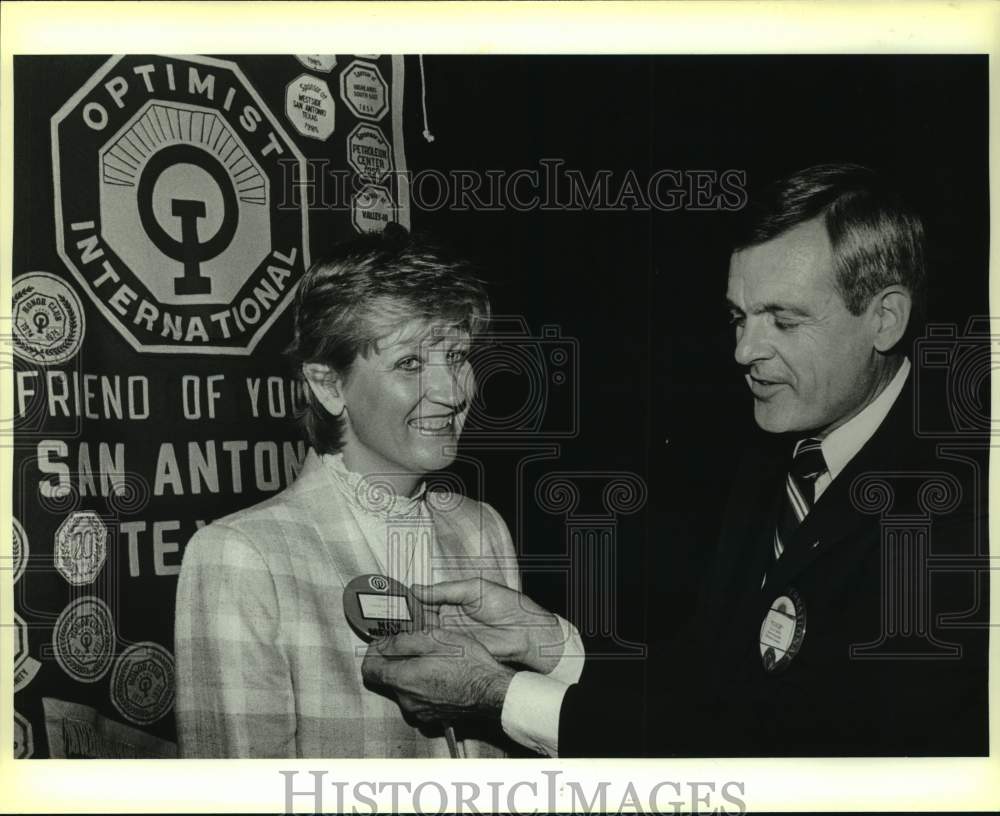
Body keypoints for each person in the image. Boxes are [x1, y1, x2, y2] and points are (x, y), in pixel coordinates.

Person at [362, 164, 989, 757]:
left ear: (885, 319)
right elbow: (711, 683)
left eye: (784, 321)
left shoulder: (963, 506)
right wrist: (551, 646)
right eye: (740, 317)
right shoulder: (781, 457)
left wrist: (500, 696)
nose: (745, 350)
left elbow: (786, 750)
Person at [174, 228, 525, 758]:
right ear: (328, 385)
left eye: (456, 356)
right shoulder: (242, 555)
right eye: (410, 363)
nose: (453, 392)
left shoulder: (482, 528)